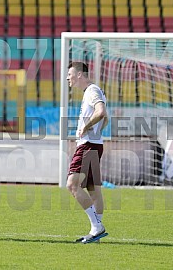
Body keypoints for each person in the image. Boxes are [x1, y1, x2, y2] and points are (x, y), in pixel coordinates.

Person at [66, 62, 109, 243]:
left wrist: (87, 127)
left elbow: (101, 112)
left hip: (88, 145)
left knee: (72, 184)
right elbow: (105, 119)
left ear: (80, 75)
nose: (68, 77)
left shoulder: (92, 91)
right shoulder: (92, 92)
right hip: (94, 143)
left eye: (70, 74)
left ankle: (97, 227)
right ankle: (96, 233)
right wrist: (96, 130)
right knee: (93, 190)